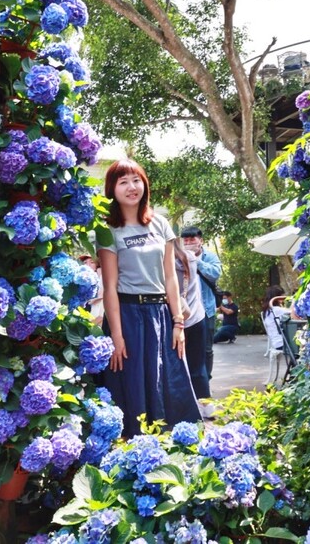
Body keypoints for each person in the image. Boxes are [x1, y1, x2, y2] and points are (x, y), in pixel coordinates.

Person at [96, 159, 201, 437]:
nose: (132, 187)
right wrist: (116, 336)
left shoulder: (160, 224)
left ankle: (171, 447)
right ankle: (133, 446)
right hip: (128, 315)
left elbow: (170, 278)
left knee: (169, 383)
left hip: (161, 316)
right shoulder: (108, 229)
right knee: (131, 383)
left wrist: (179, 323)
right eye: (123, 182)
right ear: (112, 189)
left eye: (137, 180)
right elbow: (109, 287)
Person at [173, 237, 212, 413]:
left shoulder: (164, 263)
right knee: (198, 365)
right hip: (195, 317)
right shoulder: (190, 258)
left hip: (175, 321)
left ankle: (183, 406)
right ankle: (206, 406)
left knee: (177, 364)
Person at [180, 226, 222, 379]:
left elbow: (215, 273)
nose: (189, 242)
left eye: (192, 239)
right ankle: (189, 380)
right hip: (186, 311)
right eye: (186, 240)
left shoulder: (209, 257)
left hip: (206, 310)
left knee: (206, 349)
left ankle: (206, 378)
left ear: (200, 241)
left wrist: (194, 260)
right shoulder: (178, 257)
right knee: (185, 347)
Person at [261, 285, 291, 385]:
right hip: (282, 343)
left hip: (276, 342)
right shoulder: (277, 310)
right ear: (277, 297)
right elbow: (295, 313)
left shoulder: (267, 310)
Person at [79, 254, 104, 325]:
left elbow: (102, 294)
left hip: (98, 319)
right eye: (85, 263)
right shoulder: (82, 281)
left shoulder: (102, 277)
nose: (88, 265)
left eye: (92, 262)